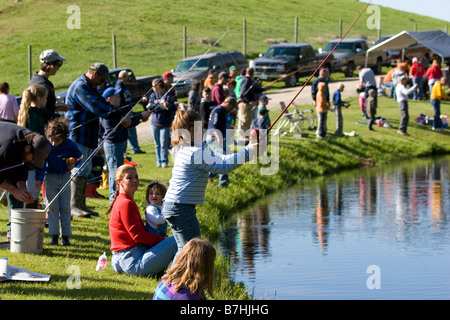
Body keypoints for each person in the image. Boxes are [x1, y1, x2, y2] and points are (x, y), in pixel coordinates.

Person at [162, 109, 257, 259]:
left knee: (183, 250)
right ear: (191, 131)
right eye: (201, 127)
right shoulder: (194, 153)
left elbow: (220, 159)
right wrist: (248, 152)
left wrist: (248, 149)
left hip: (174, 206)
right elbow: (223, 166)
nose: (205, 131)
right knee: (192, 253)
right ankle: (175, 281)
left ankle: (170, 281)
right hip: (181, 208)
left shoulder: (185, 150)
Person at [65, 62, 131, 218]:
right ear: (94, 74)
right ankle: (73, 206)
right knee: (79, 169)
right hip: (78, 135)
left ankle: (81, 205)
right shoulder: (81, 87)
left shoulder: (91, 87)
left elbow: (102, 104)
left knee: (85, 169)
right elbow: (98, 107)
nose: (103, 83)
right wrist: (120, 115)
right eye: (102, 79)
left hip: (88, 135)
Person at [107, 164, 177, 276]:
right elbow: (138, 236)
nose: (135, 180)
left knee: (174, 241)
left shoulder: (125, 201)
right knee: (176, 241)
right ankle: (175, 277)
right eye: (129, 178)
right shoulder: (125, 203)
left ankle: (169, 273)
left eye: (136, 177)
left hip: (127, 257)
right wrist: (162, 240)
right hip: (129, 260)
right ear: (119, 182)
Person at [0, 120, 51, 241]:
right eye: (33, 158)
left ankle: (14, 235)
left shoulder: (31, 142)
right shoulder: (7, 147)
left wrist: (22, 187)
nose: (33, 162)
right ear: (28, 148)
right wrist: (14, 190)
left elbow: (22, 167)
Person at [100, 87, 150, 202]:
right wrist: (141, 116)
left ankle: (117, 196)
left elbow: (127, 123)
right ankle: (114, 197)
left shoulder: (114, 110)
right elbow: (127, 121)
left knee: (117, 170)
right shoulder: (111, 112)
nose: (119, 98)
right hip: (113, 144)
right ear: (109, 99)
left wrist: (140, 118)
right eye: (116, 96)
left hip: (115, 144)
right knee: (115, 171)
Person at [44, 117, 82, 246]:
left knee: (65, 207)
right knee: (52, 207)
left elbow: (79, 156)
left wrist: (74, 163)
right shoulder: (46, 144)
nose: (54, 143)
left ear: (64, 137)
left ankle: (65, 236)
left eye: (58, 140)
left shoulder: (70, 144)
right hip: (50, 177)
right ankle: (53, 236)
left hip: (65, 176)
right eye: (52, 140)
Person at [17, 84, 49, 207]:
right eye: (45, 98)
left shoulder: (27, 113)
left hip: (26, 159)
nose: (46, 101)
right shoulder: (36, 116)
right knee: (31, 192)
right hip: (33, 161)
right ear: (39, 98)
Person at [29, 49, 69, 123]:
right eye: (58, 64)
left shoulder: (37, 79)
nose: (58, 68)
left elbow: (44, 107)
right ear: (50, 65)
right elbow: (40, 111)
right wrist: (61, 119)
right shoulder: (41, 84)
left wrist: (57, 108)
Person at [206, 97, 238, 188]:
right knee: (222, 159)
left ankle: (207, 176)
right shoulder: (218, 110)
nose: (231, 110)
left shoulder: (221, 111)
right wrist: (219, 138)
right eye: (232, 108)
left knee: (214, 160)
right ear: (227, 104)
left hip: (212, 137)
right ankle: (223, 184)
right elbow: (214, 126)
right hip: (214, 138)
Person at [148, 78, 177, 168]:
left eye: (153, 86)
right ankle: (158, 161)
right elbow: (151, 108)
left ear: (158, 86)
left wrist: (166, 106)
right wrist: (161, 106)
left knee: (164, 143)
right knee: (157, 144)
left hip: (165, 123)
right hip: (154, 123)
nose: (152, 88)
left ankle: (164, 161)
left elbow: (171, 108)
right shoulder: (152, 96)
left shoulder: (168, 96)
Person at [115, 69, 145, 154]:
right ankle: (125, 150)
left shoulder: (124, 86)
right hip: (124, 113)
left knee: (132, 131)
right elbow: (119, 102)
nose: (129, 78)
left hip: (128, 111)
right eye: (127, 76)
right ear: (122, 77)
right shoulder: (119, 87)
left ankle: (135, 149)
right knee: (127, 131)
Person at [238, 67, 270, 139]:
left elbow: (255, 90)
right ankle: (244, 138)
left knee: (248, 121)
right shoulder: (246, 80)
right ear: (252, 73)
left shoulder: (250, 81)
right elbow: (243, 93)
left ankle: (247, 138)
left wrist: (265, 88)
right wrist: (250, 101)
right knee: (245, 121)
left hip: (248, 104)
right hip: (245, 104)